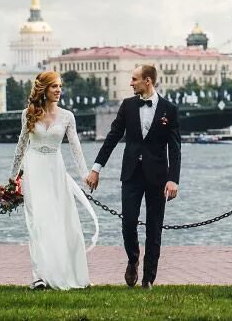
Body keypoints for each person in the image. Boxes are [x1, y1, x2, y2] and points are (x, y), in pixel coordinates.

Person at [85, 64, 181, 289]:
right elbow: (112, 137)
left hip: (158, 176)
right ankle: (132, 260)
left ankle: (148, 278)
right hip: (131, 175)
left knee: (154, 227)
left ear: (148, 81)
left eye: (134, 79)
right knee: (128, 223)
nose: (131, 83)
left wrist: (173, 179)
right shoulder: (127, 106)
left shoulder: (169, 109)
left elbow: (175, 148)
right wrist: (96, 168)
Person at [10, 70, 98, 290]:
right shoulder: (28, 113)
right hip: (34, 169)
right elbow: (21, 147)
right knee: (37, 223)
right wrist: (13, 178)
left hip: (56, 170)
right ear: (43, 89)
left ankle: (69, 273)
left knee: (63, 222)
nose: (59, 90)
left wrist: (85, 175)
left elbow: (76, 148)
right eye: (54, 86)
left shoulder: (67, 116)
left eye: (60, 86)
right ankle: (39, 276)